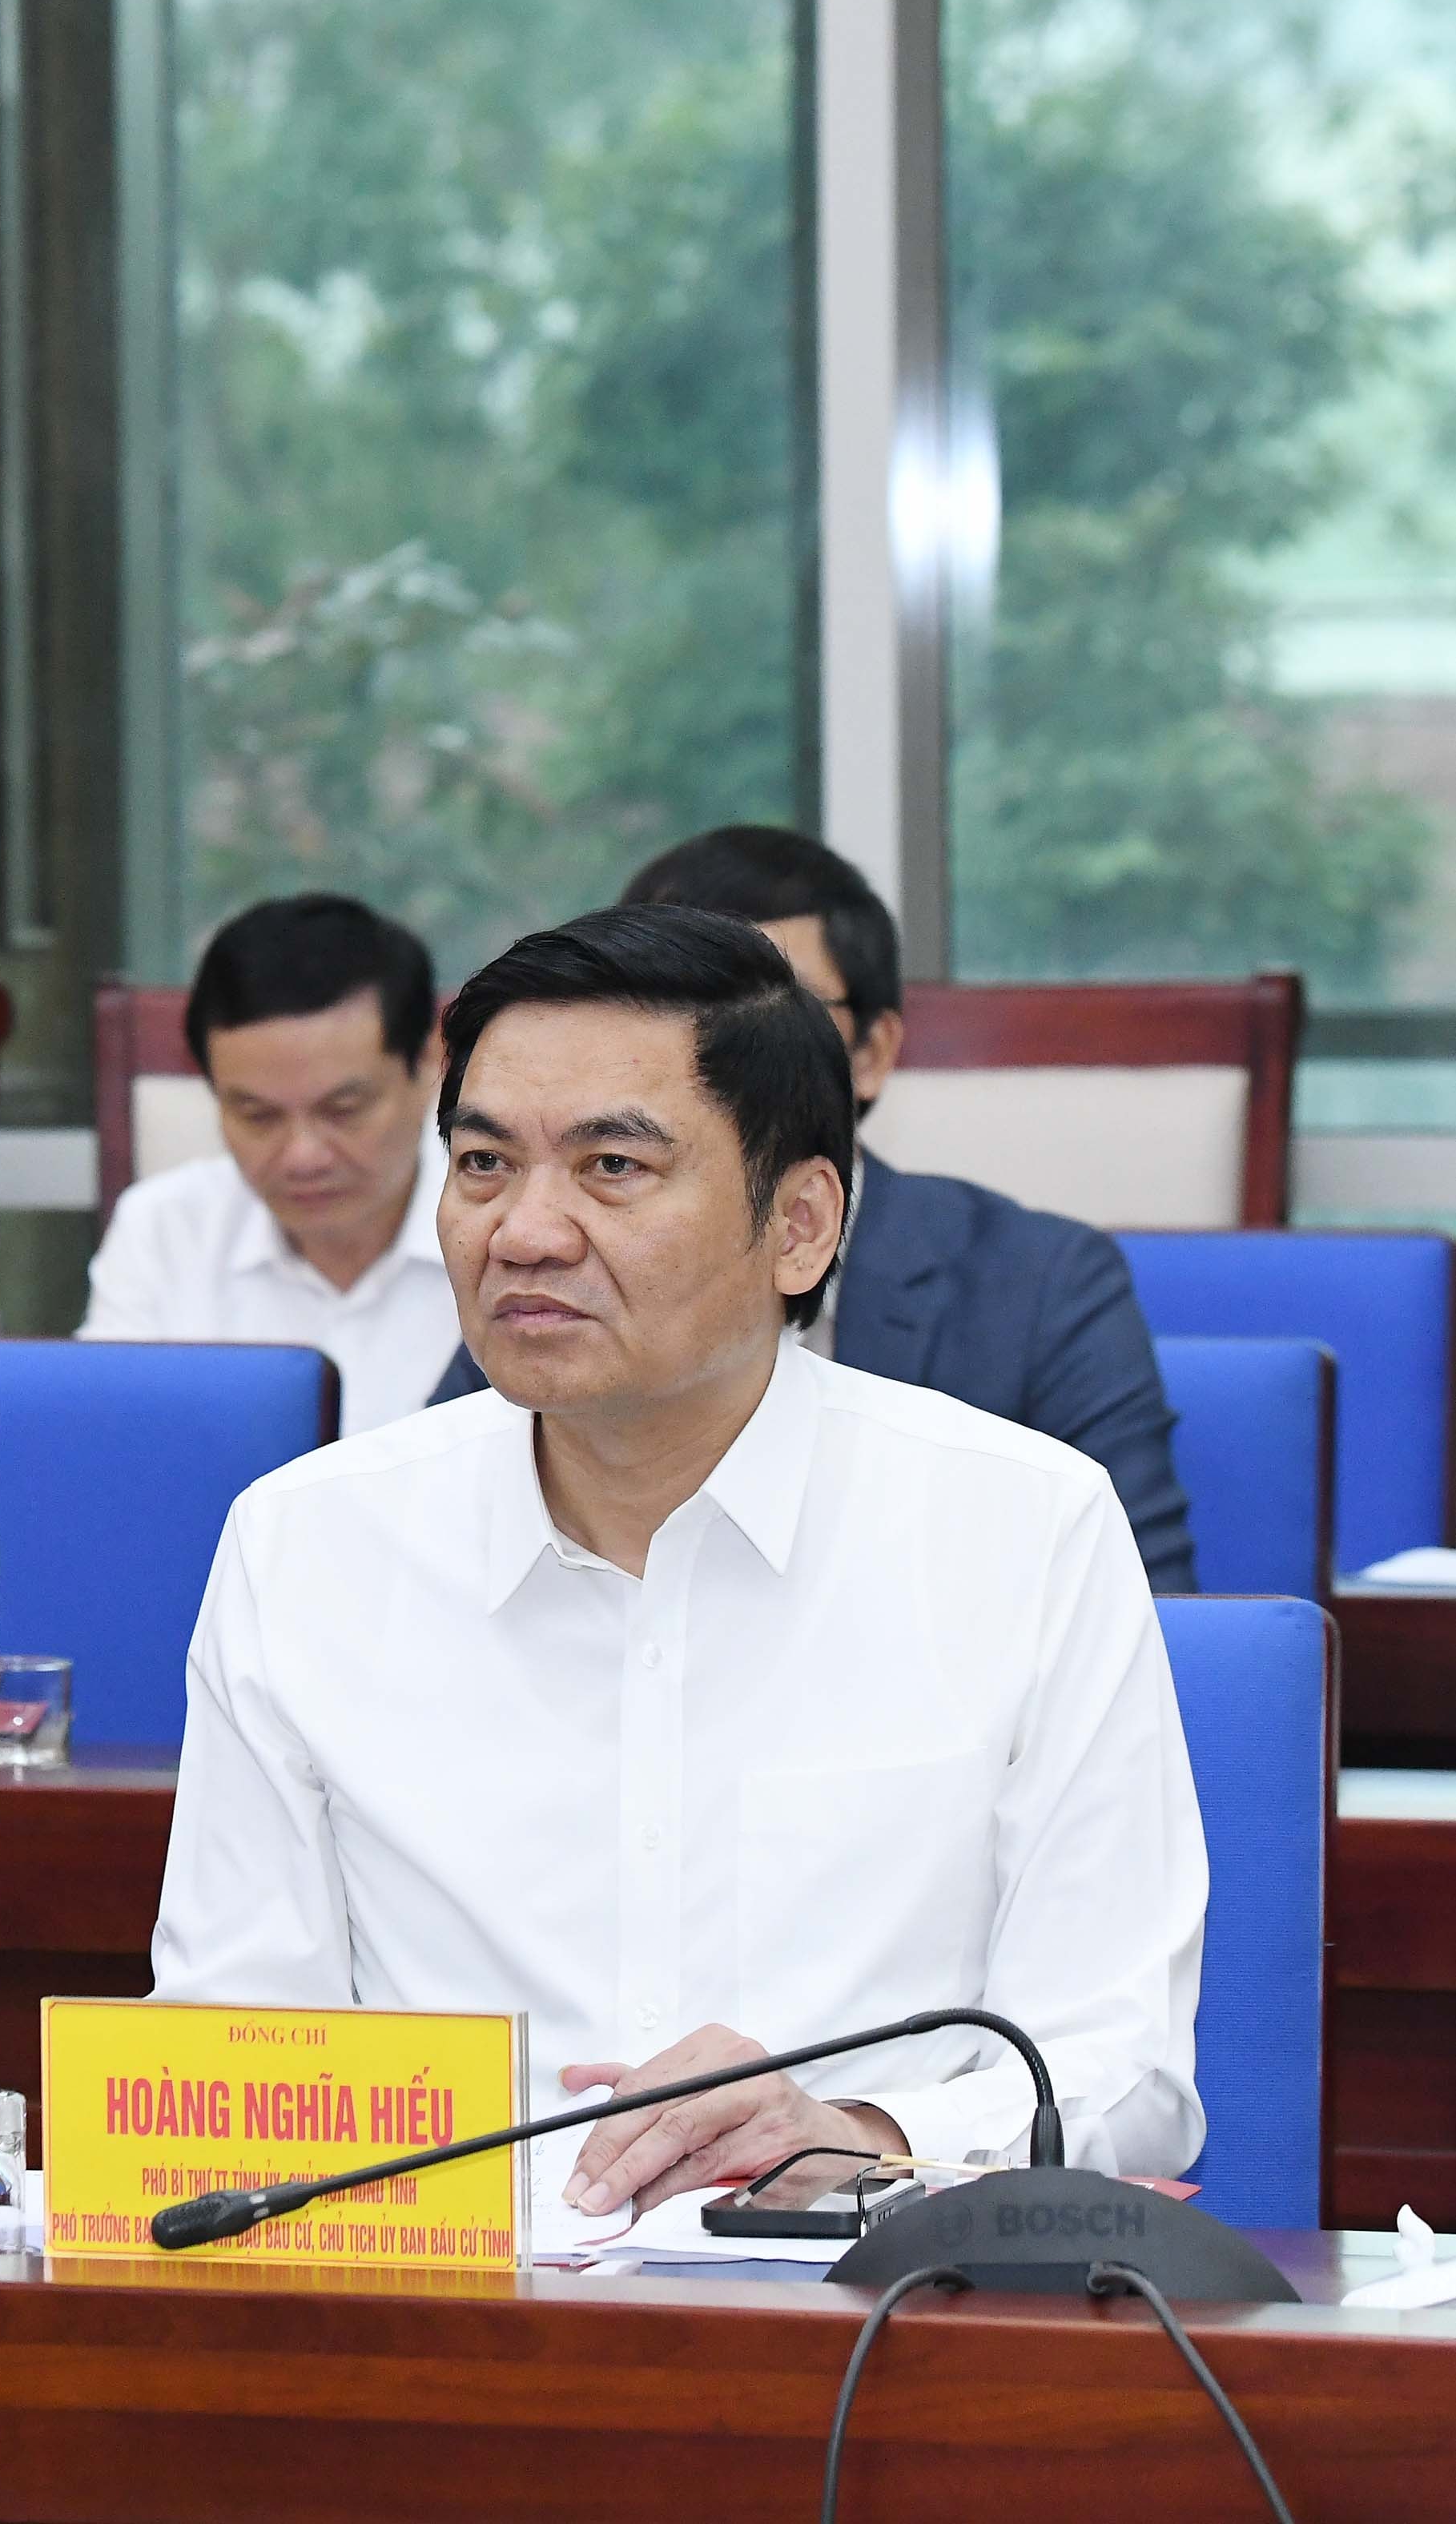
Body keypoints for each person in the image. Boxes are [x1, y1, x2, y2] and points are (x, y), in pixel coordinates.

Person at [155, 905, 1205, 2219]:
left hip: (867, 2289)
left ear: (800, 1225)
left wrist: (861, 2131)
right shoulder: (306, 1542)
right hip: (449, 2297)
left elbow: (1120, 2068)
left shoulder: (1021, 1527)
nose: (522, 1231)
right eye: (481, 1164)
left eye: (611, 1166)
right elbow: (225, 2052)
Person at [427, 827, 1197, 1590]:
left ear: (871, 1052)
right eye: (484, 1161)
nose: (529, 1233)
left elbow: (1144, 1604)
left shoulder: (1039, 1290)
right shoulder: (543, 1297)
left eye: (773, 1004)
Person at [79, 893, 458, 1431]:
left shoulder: (512, 1230)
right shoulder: (164, 1228)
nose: (302, 1156)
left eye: (342, 1110)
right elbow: (110, 1440)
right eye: (257, 1116)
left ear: (427, 1065)